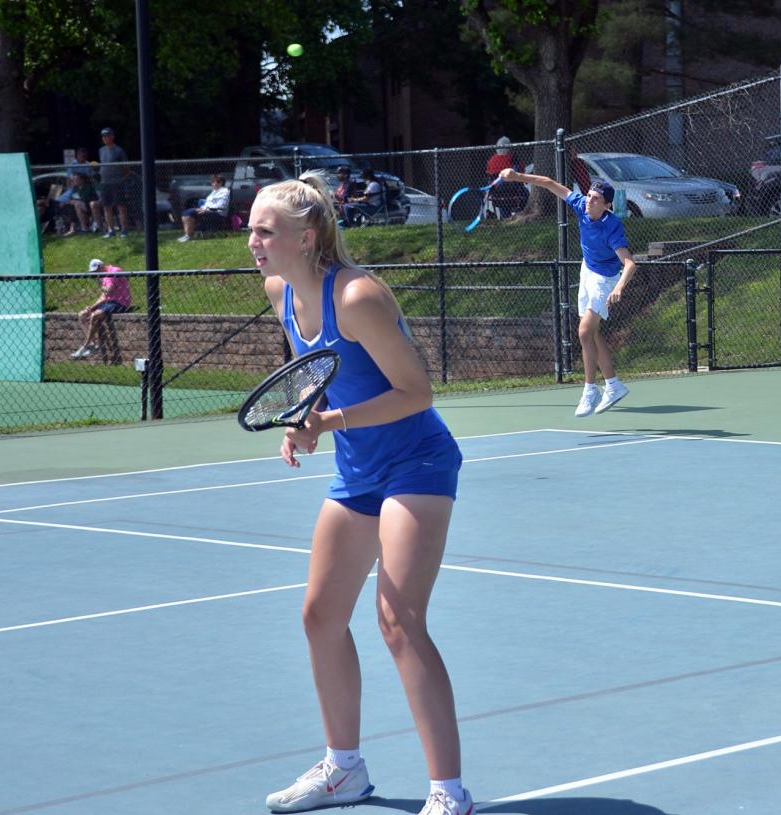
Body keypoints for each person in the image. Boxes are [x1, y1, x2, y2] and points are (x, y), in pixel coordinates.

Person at [248, 173, 475, 815]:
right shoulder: (280, 292)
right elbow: (315, 375)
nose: (254, 242)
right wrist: (303, 414)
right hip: (358, 470)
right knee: (320, 616)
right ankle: (344, 771)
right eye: (251, 231)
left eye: (266, 231)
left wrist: (332, 421)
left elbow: (417, 391)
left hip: (417, 462)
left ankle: (448, 793)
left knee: (398, 622)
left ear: (307, 234)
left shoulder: (358, 296)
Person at [500, 167, 636, 416]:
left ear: (606, 205)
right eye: (588, 195)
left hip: (605, 278)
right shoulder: (580, 204)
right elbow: (549, 182)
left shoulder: (611, 226)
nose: (589, 201)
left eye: (595, 199)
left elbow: (629, 262)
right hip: (588, 270)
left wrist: (619, 286)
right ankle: (614, 385)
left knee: (584, 331)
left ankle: (589, 390)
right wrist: (518, 177)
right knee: (593, 334)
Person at [71, 258, 132, 359]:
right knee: (82, 315)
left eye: (96, 271)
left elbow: (109, 291)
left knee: (95, 315)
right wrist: (91, 307)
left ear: (101, 267)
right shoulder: (104, 276)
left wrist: (99, 282)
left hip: (120, 303)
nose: (95, 274)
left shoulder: (114, 272)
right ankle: (92, 346)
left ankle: (85, 345)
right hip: (109, 302)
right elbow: (104, 296)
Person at [98, 127, 130, 238]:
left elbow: (126, 168)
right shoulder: (101, 150)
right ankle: (110, 230)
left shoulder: (119, 150)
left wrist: (121, 180)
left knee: (121, 207)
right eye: (103, 136)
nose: (105, 138)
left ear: (112, 136)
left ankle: (124, 230)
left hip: (117, 183)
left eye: (107, 135)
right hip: (105, 183)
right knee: (106, 207)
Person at [178, 174, 231, 242]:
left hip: (218, 214)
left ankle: (189, 236)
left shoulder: (225, 191)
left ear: (220, 182)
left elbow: (222, 206)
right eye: (212, 182)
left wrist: (207, 209)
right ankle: (187, 235)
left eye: (214, 182)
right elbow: (208, 203)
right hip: (208, 211)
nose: (212, 184)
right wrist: (202, 208)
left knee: (189, 213)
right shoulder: (214, 191)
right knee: (185, 213)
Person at [484, 137, 526, 219]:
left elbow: (489, 173)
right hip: (514, 191)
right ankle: (518, 214)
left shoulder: (492, 160)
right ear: (509, 148)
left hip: (497, 193)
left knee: (502, 198)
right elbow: (521, 171)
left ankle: (505, 218)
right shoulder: (512, 158)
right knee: (526, 193)